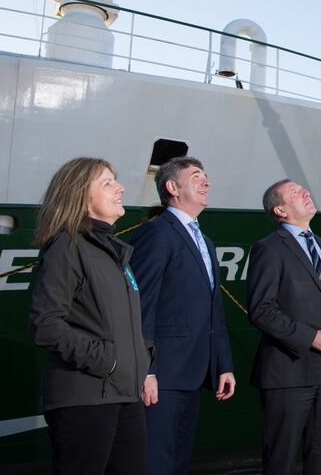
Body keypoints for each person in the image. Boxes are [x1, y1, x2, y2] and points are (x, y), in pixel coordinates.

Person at [29, 157, 150, 475]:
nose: (120, 187)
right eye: (107, 183)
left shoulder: (114, 251)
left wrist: (143, 360)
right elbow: (46, 325)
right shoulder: (66, 248)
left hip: (124, 394)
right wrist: (107, 361)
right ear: (80, 197)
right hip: (85, 398)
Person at [129, 156, 235, 475]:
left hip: (194, 371)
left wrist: (223, 364)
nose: (206, 182)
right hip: (163, 374)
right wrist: (147, 371)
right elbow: (141, 304)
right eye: (196, 177)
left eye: (206, 176)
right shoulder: (157, 233)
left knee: (178, 461)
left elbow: (213, 308)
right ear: (173, 187)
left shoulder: (205, 240)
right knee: (155, 462)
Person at [246, 179, 321, 475]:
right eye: (296, 192)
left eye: (304, 189)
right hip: (287, 371)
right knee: (280, 458)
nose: (306, 192)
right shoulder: (268, 249)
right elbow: (261, 310)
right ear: (280, 209)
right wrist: (311, 338)